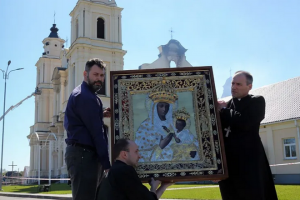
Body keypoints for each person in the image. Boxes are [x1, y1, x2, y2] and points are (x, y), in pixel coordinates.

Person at [217, 71, 278, 200]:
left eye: (238, 84)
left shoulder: (257, 101)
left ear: (249, 86)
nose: (234, 87)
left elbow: (245, 123)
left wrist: (223, 110)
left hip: (249, 163)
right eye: (233, 83)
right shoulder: (226, 105)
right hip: (229, 165)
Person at [64, 58, 111, 200]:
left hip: (83, 155)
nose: (99, 79)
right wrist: (107, 164)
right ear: (86, 74)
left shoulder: (84, 94)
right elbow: (97, 133)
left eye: (102, 76)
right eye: (95, 75)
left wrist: (100, 114)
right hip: (83, 156)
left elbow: (81, 121)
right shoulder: (86, 97)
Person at [97, 139, 173, 200]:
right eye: (136, 151)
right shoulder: (124, 171)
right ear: (124, 154)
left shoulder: (115, 171)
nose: (139, 156)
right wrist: (153, 187)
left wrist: (163, 186)